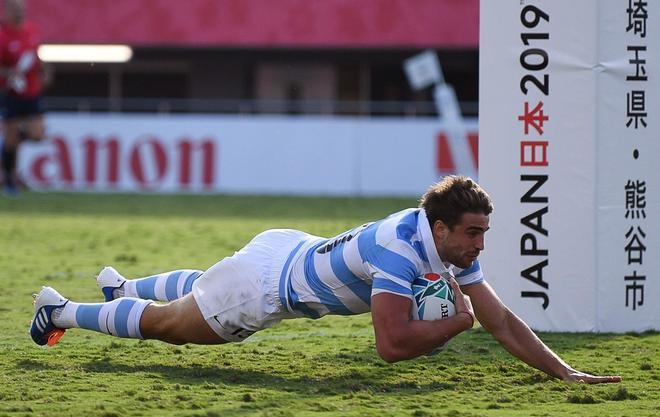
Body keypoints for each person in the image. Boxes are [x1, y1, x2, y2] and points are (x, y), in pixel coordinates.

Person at [30, 175, 621, 384]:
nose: (479, 245)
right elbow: (390, 347)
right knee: (169, 329)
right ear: (440, 229)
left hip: (287, 248)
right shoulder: (400, 251)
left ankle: (124, 287)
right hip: (264, 290)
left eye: (484, 233)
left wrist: (564, 371)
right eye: (472, 233)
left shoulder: (440, 243)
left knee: (203, 287)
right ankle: (59, 310)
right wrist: (454, 325)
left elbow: (504, 321)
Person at [0, 0, 45, 196]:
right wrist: (9, 72)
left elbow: (38, 57)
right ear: (7, 11)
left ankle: (12, 142)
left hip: (32, 92)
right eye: (16, 9)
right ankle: (10, 181)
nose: (20, 13)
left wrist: (45, 72)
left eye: (22, 9)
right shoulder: (2, 36)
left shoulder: (33, 31)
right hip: (11, 93)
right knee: (10, 141)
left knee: (37, 134)